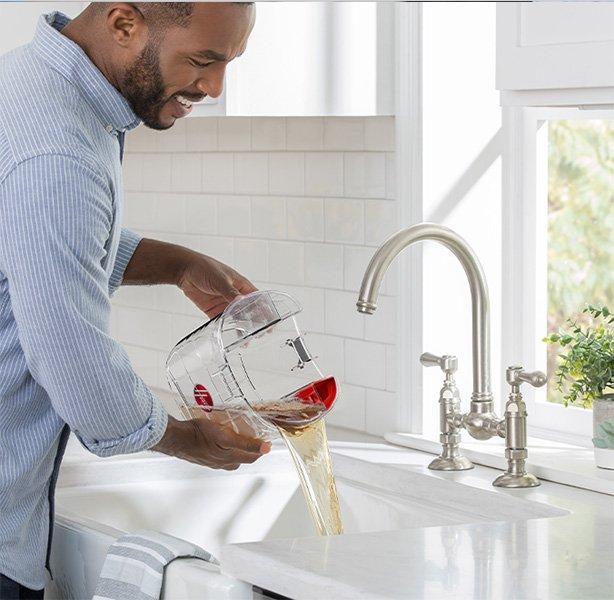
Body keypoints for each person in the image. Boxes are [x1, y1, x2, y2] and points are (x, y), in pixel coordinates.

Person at [0, 3, 266, 597]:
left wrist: (179, 265)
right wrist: (186, 439)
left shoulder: (24, 82)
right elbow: (71, 356)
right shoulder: (59, 148)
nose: (215, 87)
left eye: (229, 62)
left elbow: (33, 238)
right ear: (125, 25)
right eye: (204, 60)